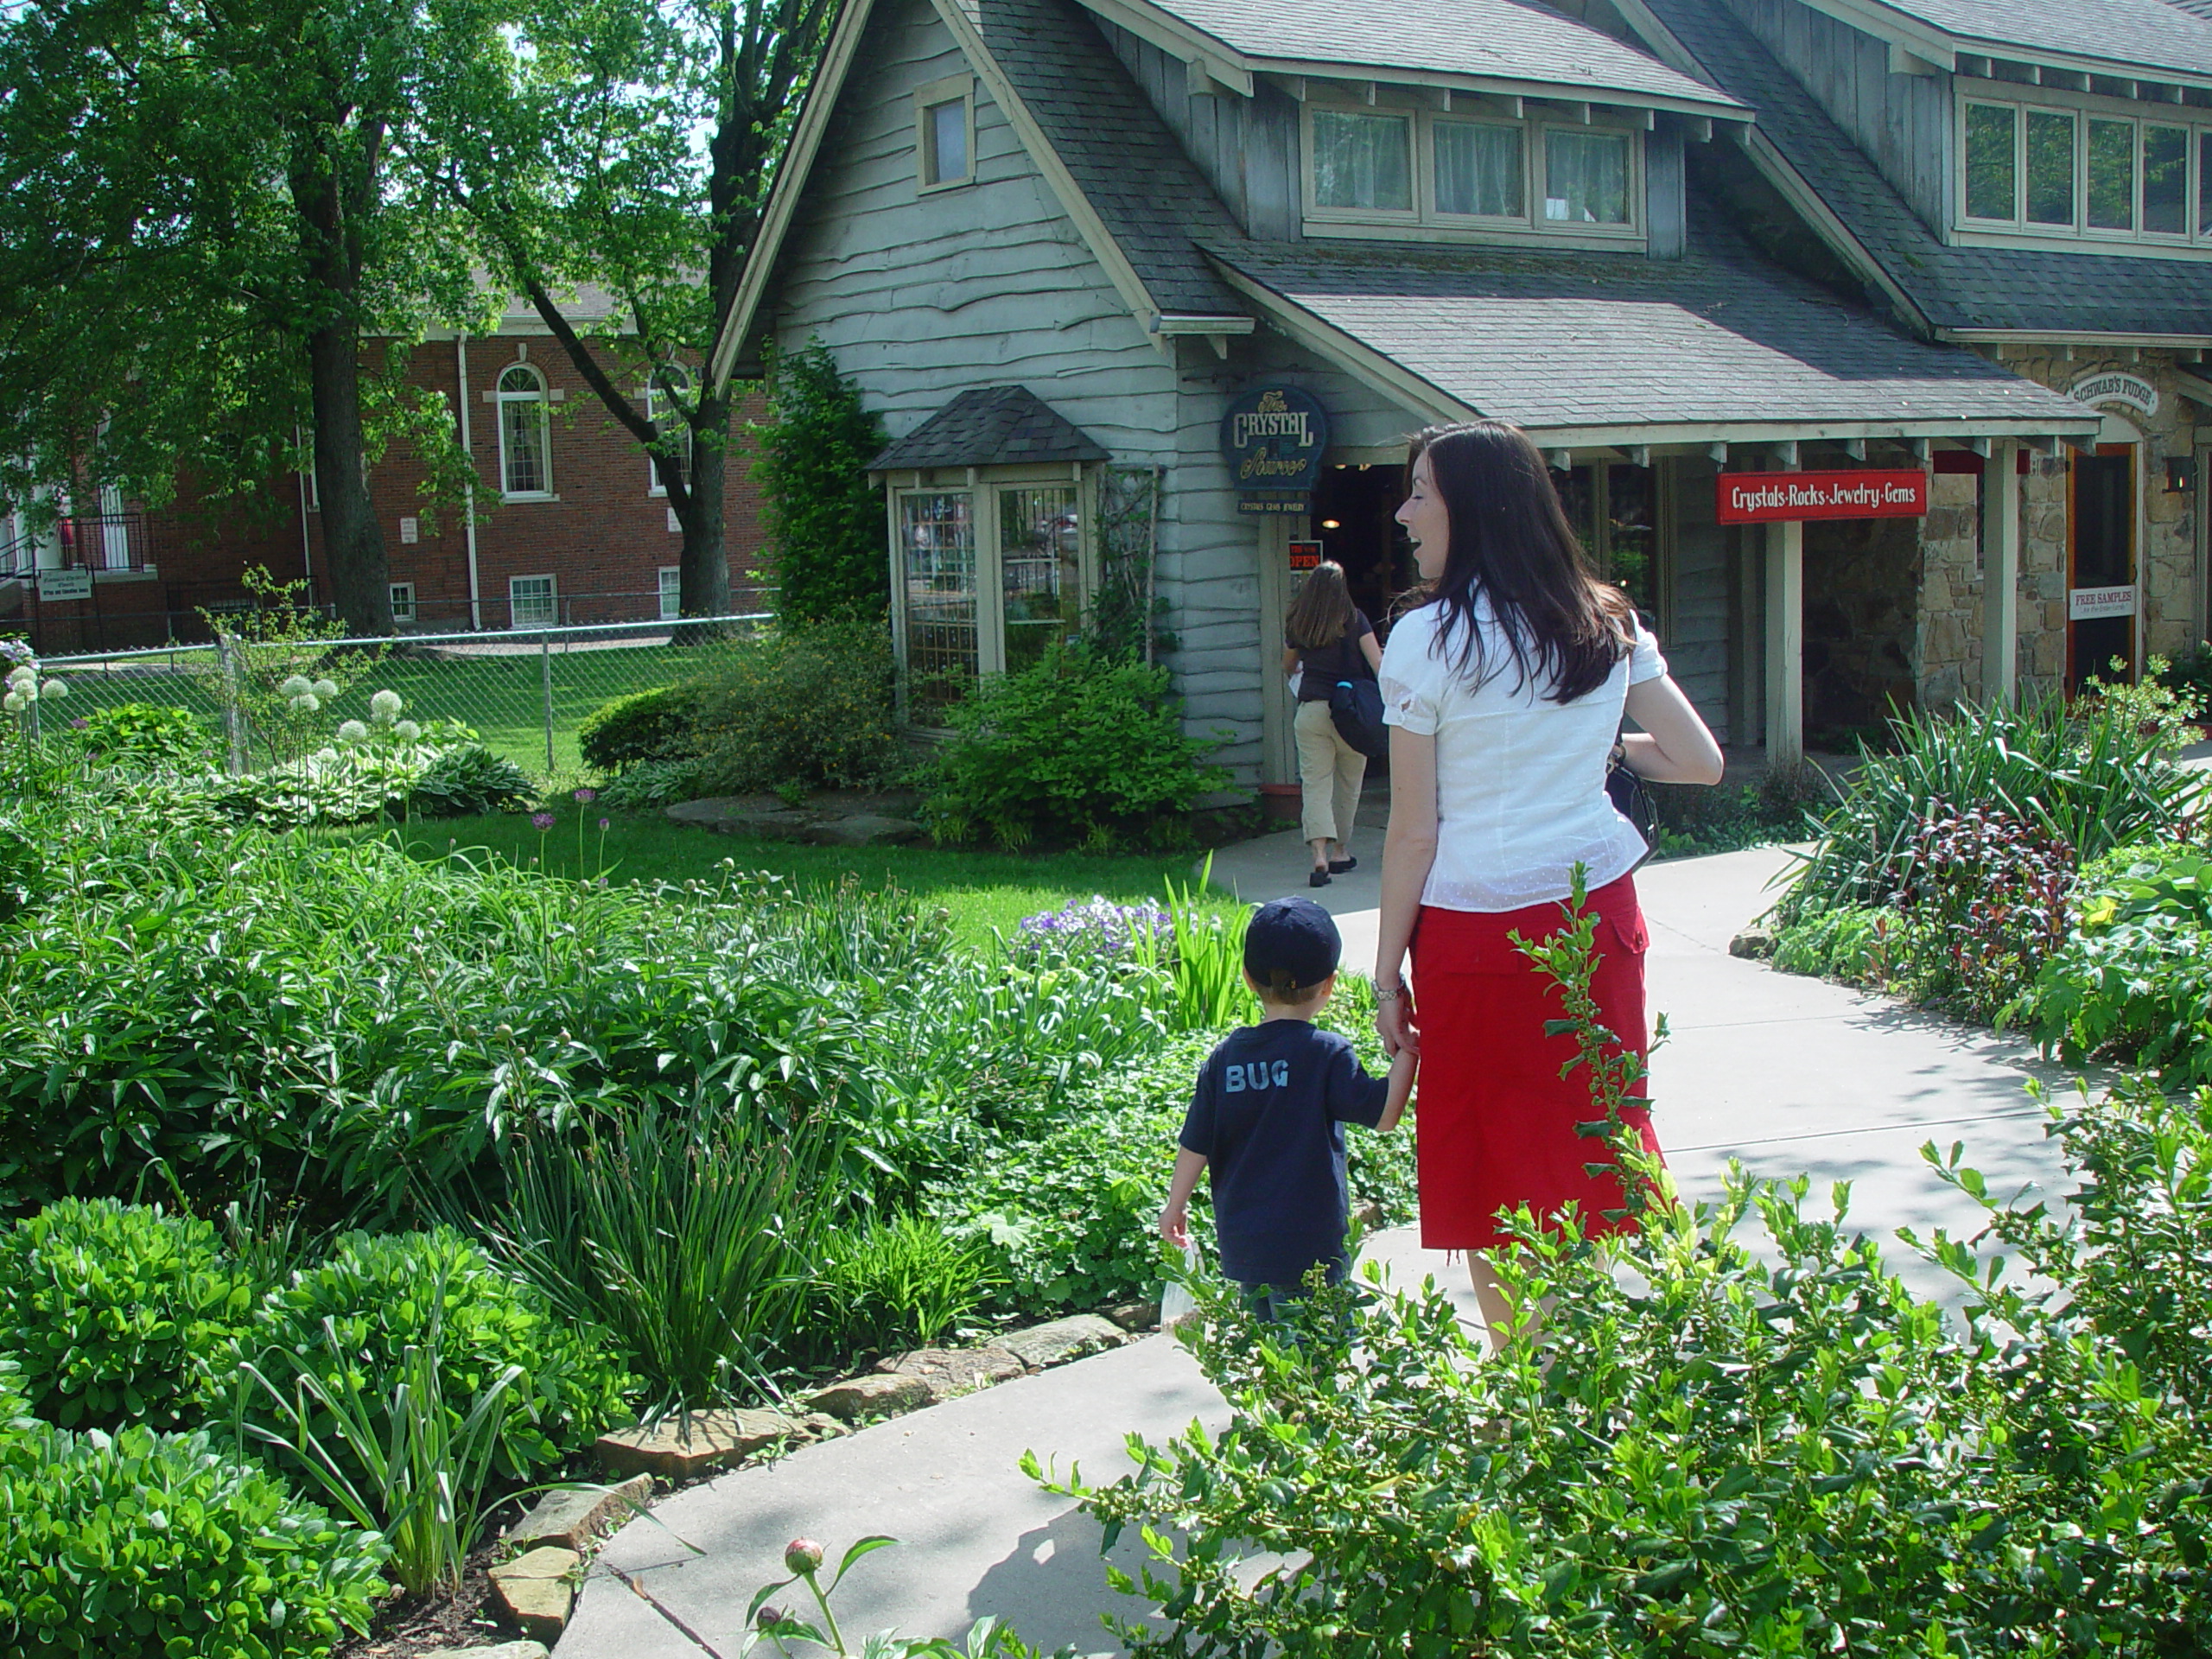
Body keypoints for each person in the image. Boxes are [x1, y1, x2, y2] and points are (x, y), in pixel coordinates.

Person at [1371, 421, 1724, 1346]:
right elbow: (1698, 761)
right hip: (1590, 913)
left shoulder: (1422, 639)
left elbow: (1413, 832)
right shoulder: (1603, 618)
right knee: (1594, 1134)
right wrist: (1592, 742)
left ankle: (1526, 1379)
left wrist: (1382, 975)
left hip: (1474, 930)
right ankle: (1603, 1361)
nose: (1404, 512)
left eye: (1418, 492)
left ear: (1472, 508)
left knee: (1494, 1160)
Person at [1160, 896, 1416, 1318]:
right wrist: (1409, 1045)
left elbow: (1196, 1141)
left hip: (1247, 1246)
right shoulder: (1326, 1054)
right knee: (1317, 1359)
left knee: (1271, 1357)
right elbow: (1384, 1114)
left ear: (1247, 978)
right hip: (1312, 1248)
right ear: (1330, 984)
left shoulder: (1224, 1059)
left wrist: (1176, 1205)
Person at [1282, 561, 1383, 887]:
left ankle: (1319, 857)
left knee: (1315, 784)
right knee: (1348, 784)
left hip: (1312, 711)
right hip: (1351, 713)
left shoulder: (1300, 621)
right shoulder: (1355, 619)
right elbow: (1378, 664)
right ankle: (1341, 851)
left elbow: (1288, 664)